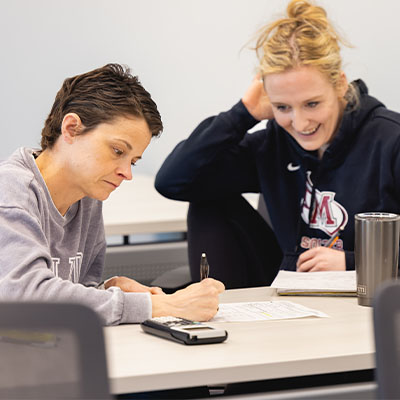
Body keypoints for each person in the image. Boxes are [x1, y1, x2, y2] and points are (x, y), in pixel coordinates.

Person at [155, 0, 400, 289]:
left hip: (370, 294)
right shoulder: (274, 144)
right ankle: (223, 315)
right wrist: (242, 114)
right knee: (207, 201)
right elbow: (174, 182)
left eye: (312, 103)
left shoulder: (390, 140)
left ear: (340, 85)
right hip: (286, 288)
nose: (300, 123)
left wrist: (352, 261)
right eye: (283, 107)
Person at [0, 63, 224, 325]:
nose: (126, 173)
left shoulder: (88, 197)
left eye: (134, 161)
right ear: (71, 128)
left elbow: (71, 300)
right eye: (118, 151)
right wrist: (159, 305)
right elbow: (25, 296)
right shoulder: (11, 190)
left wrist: (107, 289)